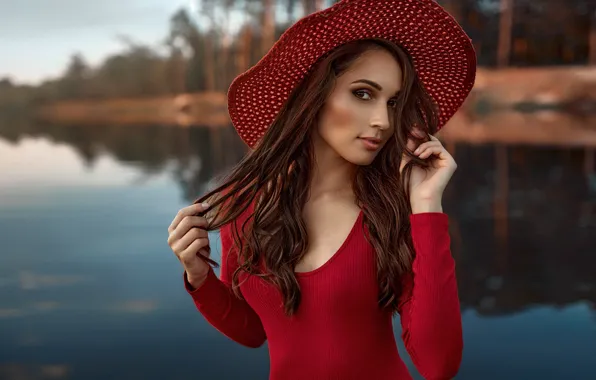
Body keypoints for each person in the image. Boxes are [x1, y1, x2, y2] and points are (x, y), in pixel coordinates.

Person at [167, 0, 476, 379]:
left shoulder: (393, 211)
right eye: (363, 93)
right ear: (313, 94)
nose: (383, 120)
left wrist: (427, 206)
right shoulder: (246, 205)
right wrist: (199, 277)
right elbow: (252, 332)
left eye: (394, 102)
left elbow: (438, 364)